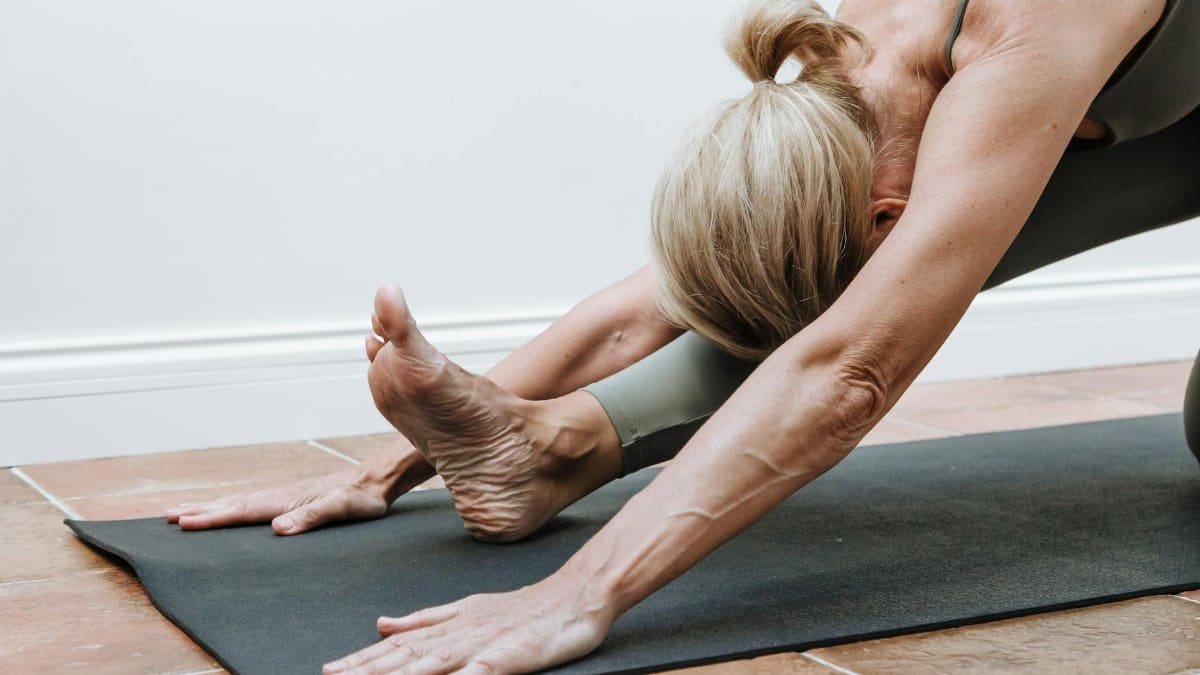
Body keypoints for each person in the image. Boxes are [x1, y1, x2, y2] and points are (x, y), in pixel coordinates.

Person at [166, 0, 1200, 672]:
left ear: (882, 214)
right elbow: (667, 293)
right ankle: (555, 449)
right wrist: (391, 469)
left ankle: (568, 450)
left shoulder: (1022, 39)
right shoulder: (855, 63)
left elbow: (854, 367)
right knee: (834, 269)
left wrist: (581, 594)